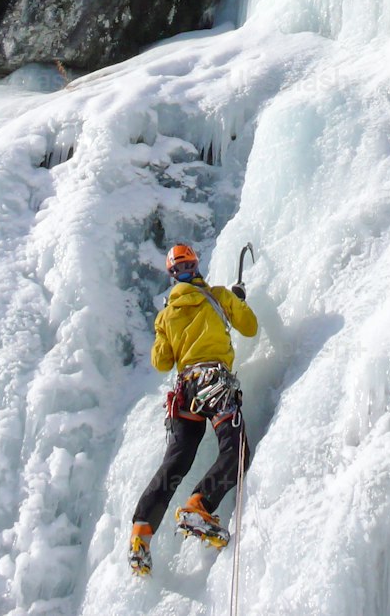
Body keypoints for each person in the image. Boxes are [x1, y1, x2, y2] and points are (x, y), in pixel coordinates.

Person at [129, 241, 258, 576]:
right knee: (237, 450)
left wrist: (166, 330)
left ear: (172, 275)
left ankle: (140, 535)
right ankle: (199, 505)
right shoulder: (218, 296)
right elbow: (249, 327)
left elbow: (161, 362)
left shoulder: (165, 315)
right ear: (195, 266)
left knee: (176, 461)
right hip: (214, 382)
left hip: (185, 390)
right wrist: (238, 300)